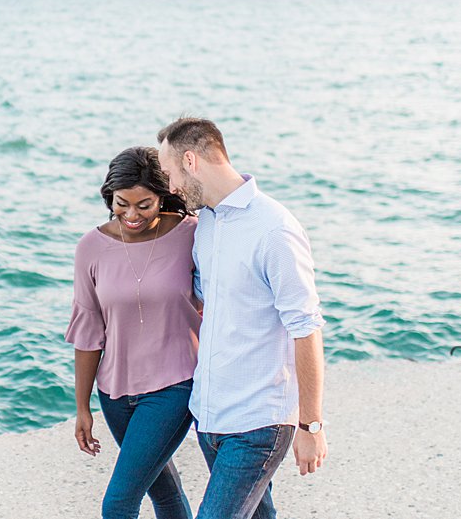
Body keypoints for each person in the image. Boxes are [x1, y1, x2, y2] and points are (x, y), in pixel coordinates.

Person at [156, 117, 328, 519]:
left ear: (190, 160)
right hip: (211, 415)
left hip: (258, 422)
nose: (171, 187)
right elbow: (204, 303)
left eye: (169, 174)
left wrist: (311, 425)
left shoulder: (274, 230)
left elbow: (306, 328)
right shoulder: (207, 225)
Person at [66, 146, 202, 519]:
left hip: (175, 385)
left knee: (118, 503)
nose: (131, 215)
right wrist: (82, 407)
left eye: (144, 205)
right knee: (165, 492)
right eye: (121, 203)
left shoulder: (192, 235)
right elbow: (88, 331)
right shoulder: (90, 248)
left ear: (163, 196)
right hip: (114, 394)